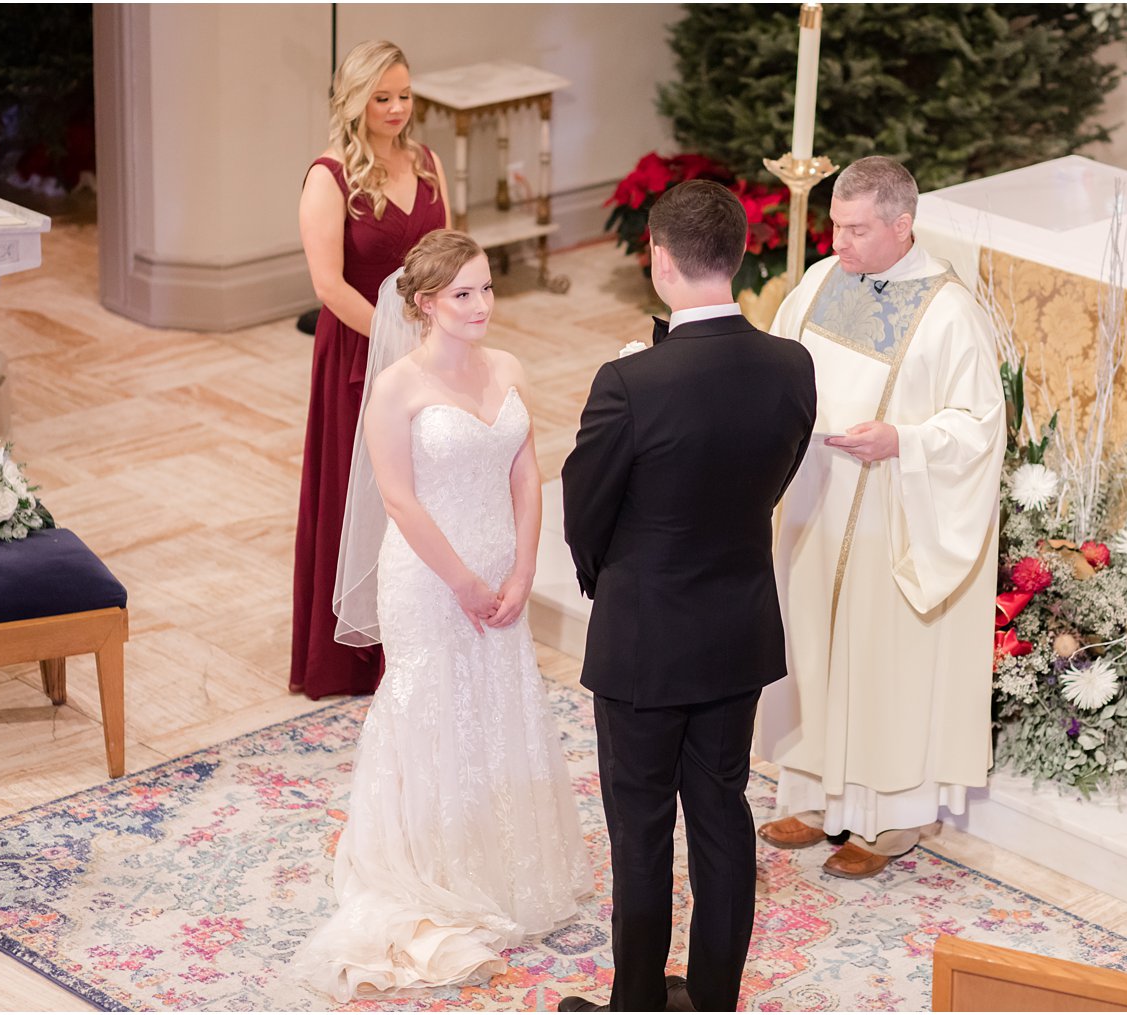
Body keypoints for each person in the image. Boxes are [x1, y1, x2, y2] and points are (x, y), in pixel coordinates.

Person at [297, 230, 590, 1000]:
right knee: (433, 708)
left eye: (487, 289)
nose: (481, 305)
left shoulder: (509, 369)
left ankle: (502, 859)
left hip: (502, 568)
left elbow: (527, 471)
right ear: (425, 304)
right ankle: (432, 862)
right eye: (463, 293)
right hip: (429, 578)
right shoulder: (395, 386)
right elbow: (399, 498)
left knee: (500, 703)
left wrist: (525, 566)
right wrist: (461, 580)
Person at [557, 180, 817, 1013]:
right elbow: (770, 480)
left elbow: (584, 511)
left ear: (661, 262)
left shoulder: (629, 383)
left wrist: (612, 578)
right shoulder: (792, 365)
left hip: (643, 640)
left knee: (639, 830)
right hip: (736, 631)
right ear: (740, 258)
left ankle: (635, 1003)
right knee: (720, 814)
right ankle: (712, 1002)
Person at [755, 156, 1006, 879]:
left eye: (858, 229)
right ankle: (811, 791)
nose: (841, 243)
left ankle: (888, 817)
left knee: (881, 663)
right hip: (815, 504)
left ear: (904, 224)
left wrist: (905, 441)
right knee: (811, 645)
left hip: (894, 512)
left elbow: (980, 426)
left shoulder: (949, 312)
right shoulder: (820, 281)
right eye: (835, 225)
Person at [291, 39, 450, 699]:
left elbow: (451, 254)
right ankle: (354, 658)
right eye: (381, 97)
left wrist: (448, 325)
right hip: (360, 354)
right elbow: (329, 285)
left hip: (430, 348)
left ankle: (425, 639)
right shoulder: (329, 176)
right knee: (366, 495)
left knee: (430, 488)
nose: (395, 108)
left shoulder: (430, 162)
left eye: (404, 95)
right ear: (354, 99)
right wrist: (398, 338)